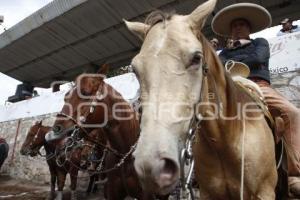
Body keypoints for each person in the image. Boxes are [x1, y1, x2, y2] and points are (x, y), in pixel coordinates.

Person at [211, 3, 300, 197]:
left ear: (249, 28)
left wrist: (237, 55)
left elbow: (259, 57)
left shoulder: (260, 42)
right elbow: (220, 68)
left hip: (259, 86)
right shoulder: (224, 53)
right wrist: (231, 60)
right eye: (234, 26)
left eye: (242, 24)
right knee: (204, 114)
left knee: (292, 113)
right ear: (230, 31)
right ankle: (203, 167)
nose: (238, 28)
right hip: (231, 89)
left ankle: (295, 174)